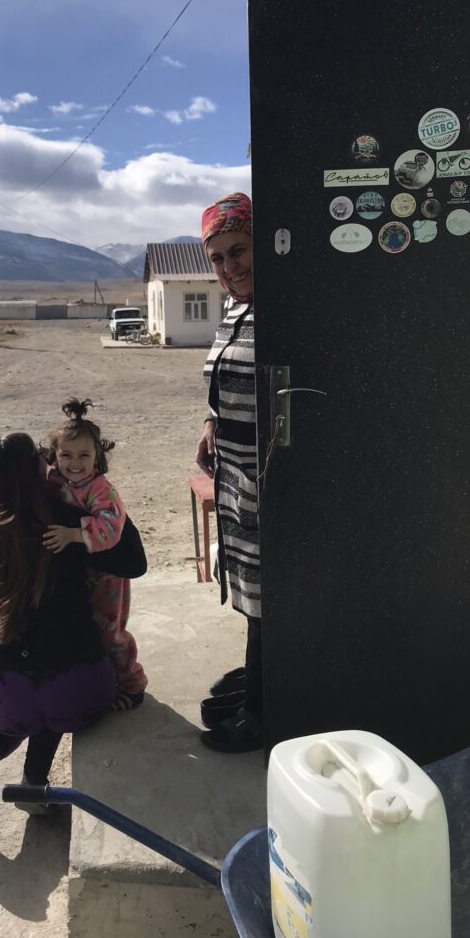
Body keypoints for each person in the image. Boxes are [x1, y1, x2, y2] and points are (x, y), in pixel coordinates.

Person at [0, 432, 146, 842]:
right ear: (37, 471)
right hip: (78, 686)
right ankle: (34, 781)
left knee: (3, 720)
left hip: (6, 689)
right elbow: (134, 562)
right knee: (55, 701)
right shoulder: (63, 522)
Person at [195, 191, 262, 754]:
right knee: (250, 585)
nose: (229, 268)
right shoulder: (236, 310)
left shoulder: (289, 307)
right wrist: (212, 422)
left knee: (272, 593)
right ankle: (258, 678)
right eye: (217, 259)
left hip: (271, 479)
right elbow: (225, 381)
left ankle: (265, 711)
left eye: (238, 251)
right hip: (235, 474)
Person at [42, 398, 147, 710]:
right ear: (55, 456)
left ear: (97, 457)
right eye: (66, 455)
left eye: (84, 455)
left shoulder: (101, 490)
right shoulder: (54, 481)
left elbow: (110, 529)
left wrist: (72, 535)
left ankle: (132, 683)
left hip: (107, 577)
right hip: (80, 573)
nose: (75, 462)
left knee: (109, 632)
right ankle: (103, 681)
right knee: (84, 627)